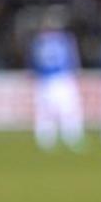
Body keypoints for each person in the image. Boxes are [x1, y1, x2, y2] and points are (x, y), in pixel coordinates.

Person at [29, 14, 84, 151]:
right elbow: (72, 60)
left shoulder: (39, 42)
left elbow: (33, 63)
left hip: (45, 80)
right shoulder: (64, 40)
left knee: (45, 113)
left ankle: (46, 141)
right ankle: (72, 138)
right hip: (62, 78)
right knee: (69, 110)